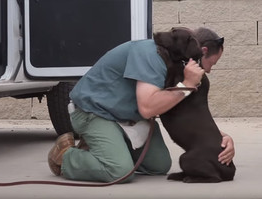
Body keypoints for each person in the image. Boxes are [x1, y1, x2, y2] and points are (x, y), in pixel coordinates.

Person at [48, 27, 235, 183]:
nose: (210, 70)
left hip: (128, 116)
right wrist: (186, 86)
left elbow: (188, 113)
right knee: (119, 171)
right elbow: (147, 108)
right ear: (202, 51)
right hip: (95, 112)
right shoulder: (151, 55)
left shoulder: (177, 60)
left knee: (159, 166)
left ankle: (105, 148)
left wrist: (220, 137)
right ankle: (65, 157)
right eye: (212, 63)